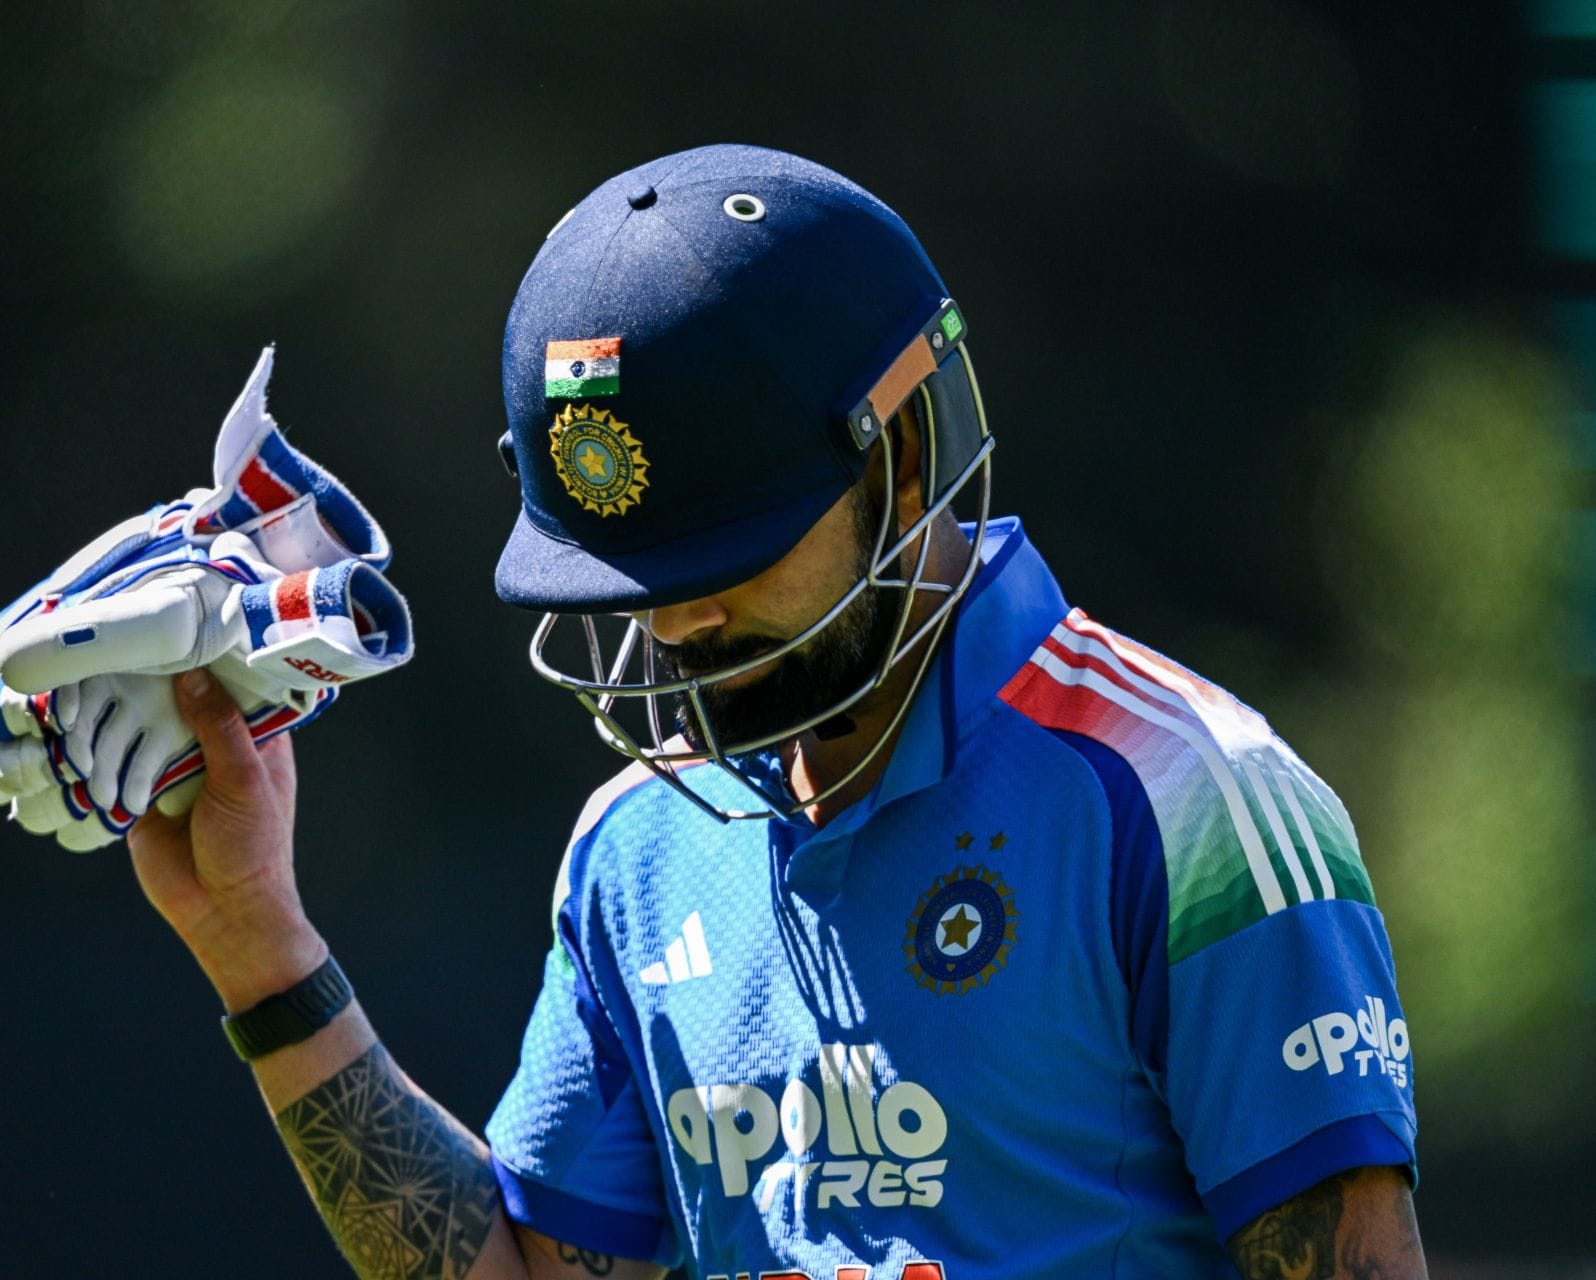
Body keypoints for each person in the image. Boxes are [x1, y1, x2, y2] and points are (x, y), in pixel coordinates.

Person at [123, 145, 1426, 1279]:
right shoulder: (637, 847)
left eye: (730, 556)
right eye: (638, 581)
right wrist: (258, 945)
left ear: (899, 458)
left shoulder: (1184, 798)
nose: (678, 625)